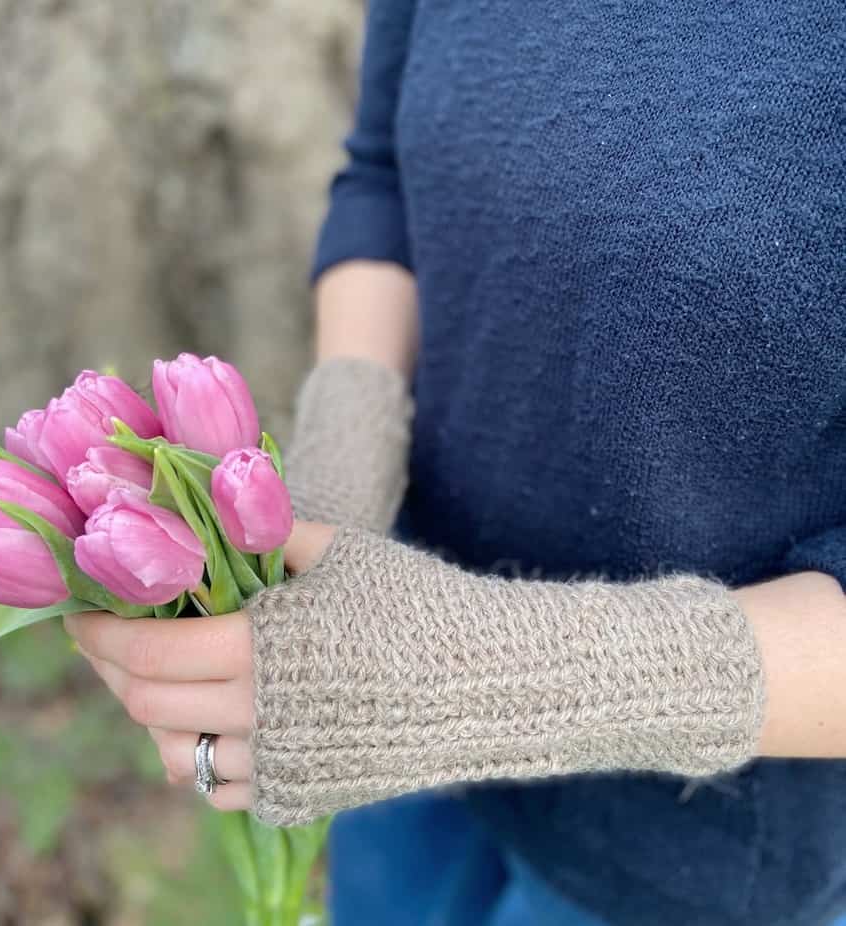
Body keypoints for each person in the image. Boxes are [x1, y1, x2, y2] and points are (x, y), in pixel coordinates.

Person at [64, 2, 846, 923]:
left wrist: (477, 678)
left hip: (685, 848)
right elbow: (382, 176)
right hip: (371, 699)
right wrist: (342, 464)